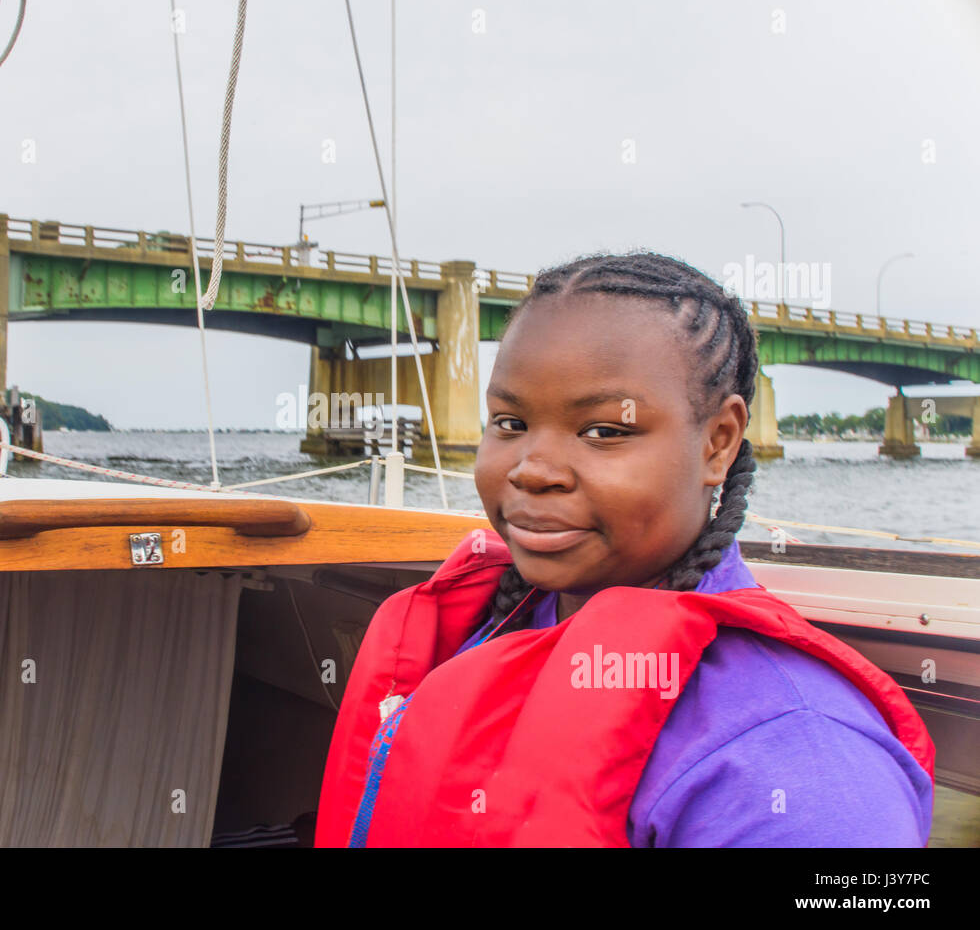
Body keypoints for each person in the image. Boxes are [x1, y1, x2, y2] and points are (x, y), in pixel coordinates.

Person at [315, 252, 934, 847]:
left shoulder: (798, 758)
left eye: (604, 431)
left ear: (718, 443)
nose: (533, 470)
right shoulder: (500, 619)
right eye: (510, 423)